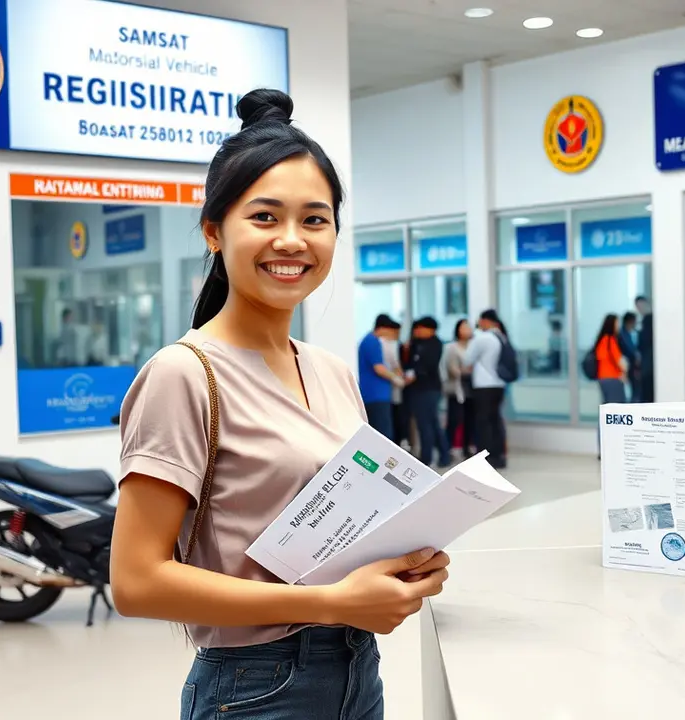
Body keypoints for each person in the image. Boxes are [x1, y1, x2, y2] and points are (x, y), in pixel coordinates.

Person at [111, 89, 449, 720]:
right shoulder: (183, 374)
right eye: (265, 217)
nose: (292, 241)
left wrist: (403, 567)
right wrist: (331, 603)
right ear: (214, 231)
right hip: (255, 689)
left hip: (357, 668)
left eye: (315, 220)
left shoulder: (332, 372)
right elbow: (135, 582)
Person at [465, 309, 508, 469]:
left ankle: (485, 458)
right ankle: (499, 456)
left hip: (484, 385)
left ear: (484, 321)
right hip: (499, 384)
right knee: (496, 420)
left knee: (483, 422)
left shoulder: (482, 338)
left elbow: (467, 359)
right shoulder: (502, 336)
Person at [406, 316, 450, 468]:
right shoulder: (416, 344)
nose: (417, 332)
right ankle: (442, 455)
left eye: (420, 329)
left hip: (429, 389)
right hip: (417, 389)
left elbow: (428, 366)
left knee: (427, 424)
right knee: (429, 423)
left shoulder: (435, 344)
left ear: (430, 329)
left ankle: (427, 458)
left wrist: (414, 374)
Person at [358, 314, 405, 439]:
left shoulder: (370, 340)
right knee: (384, 434)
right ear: (383, 328)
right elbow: (379, 368)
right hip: (376, 395)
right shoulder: (372, 342)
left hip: (375, 395)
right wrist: (396, 378)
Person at [593, 313, 628, 454]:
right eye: (617, 323)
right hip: (613, 380)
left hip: (602, 380)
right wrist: (625, 371)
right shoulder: (610, 340)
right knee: (617, 416)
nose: (618, 326)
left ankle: (603, 449)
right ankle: (615, 449)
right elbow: (621, 362)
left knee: (605, 415)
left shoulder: (601, 340)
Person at [443, 319, 476, 458]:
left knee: (470, 419)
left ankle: (467, 447)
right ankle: (447, 448)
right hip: (457, 389)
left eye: (468, 327)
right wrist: (466, 370)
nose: (467, 330)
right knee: (455, 419)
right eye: (463, 328)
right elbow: (452, 369)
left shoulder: (474, 346)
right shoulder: (452, 347)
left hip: (472, 389)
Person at [619, 311, 641, 402]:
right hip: (628, 367)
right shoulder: (622, 335)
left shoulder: (633, 333)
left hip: (632, 367)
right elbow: (629, 351)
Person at [635, 296, 654, 402]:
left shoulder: (648, 320)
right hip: (647, 366)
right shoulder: (646, 321)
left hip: (649, 366)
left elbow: (643, 342)